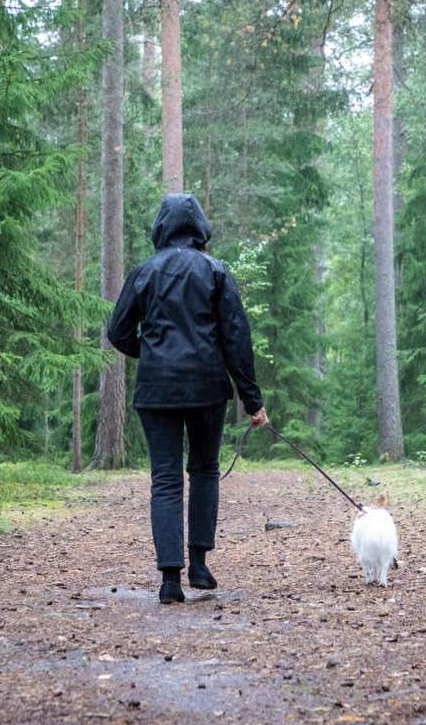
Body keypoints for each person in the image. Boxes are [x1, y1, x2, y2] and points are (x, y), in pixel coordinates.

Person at [107, 193, 269, 605]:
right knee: (203, 470)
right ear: (200, 228)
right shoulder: (216, 271)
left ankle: (169, 580)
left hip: (156, 389)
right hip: (206, 387)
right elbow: (236, 339)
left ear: (161, 227)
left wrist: (153, 353)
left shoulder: (144, 272)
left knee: (165, 478)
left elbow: (118, 331)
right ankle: (198, 565)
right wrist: (253, 401)